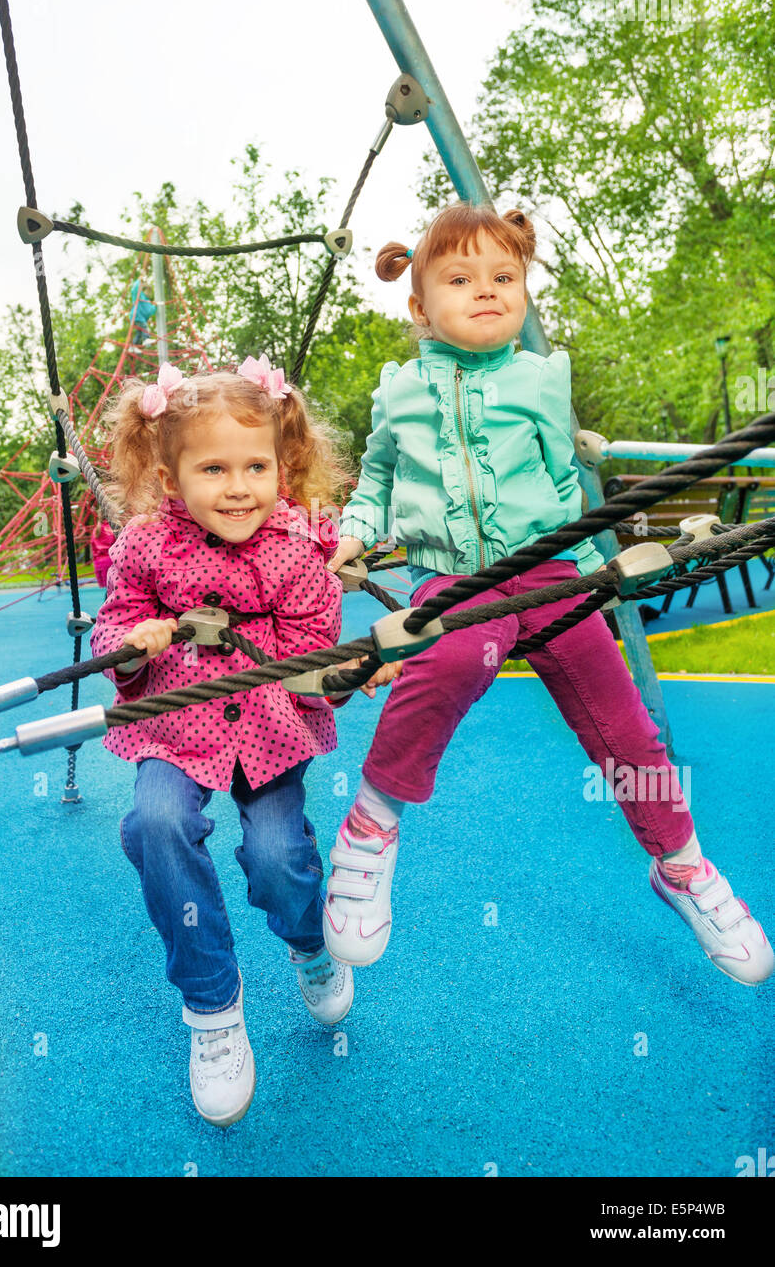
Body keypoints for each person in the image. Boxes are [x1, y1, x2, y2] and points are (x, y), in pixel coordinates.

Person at [324, 202, 773, 988]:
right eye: (461, 278)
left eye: (505, 276)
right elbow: (378, 477)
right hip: (457, 579)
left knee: (626, 726)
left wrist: (601, 559)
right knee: (451, 659)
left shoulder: (538, 379)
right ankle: (371, 825)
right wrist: (356, 528)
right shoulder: (398, 393)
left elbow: (566, 483)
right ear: (421, 307)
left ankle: (681, 864)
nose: (487, 290)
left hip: (552, 571)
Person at [90, 354, 365, 1127]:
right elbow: (115, 621)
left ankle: (308, 942)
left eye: (256, 466)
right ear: (173, 479)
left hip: (270, 728)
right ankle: (213, 1011)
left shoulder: (294, 552)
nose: (239, 486)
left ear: (285, 466)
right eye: (214, 468)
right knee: (155, 824)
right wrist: (134, 641)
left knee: (279, 858)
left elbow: (316, 641)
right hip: (178, 723)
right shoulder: (145, 547)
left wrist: (340, 672)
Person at [129, 278, 156, 347]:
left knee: (139, 333)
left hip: (138, 318)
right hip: (137, 316)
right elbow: (134, 290)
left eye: (150, 291)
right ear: (144, 290)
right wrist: (139, 281)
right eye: (147, 290)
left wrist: (155, 306)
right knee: (144, 327)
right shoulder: (140, 295)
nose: (149, 293)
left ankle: (133, 346)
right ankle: (146, 339)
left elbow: (150, 311)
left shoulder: (148, 302)